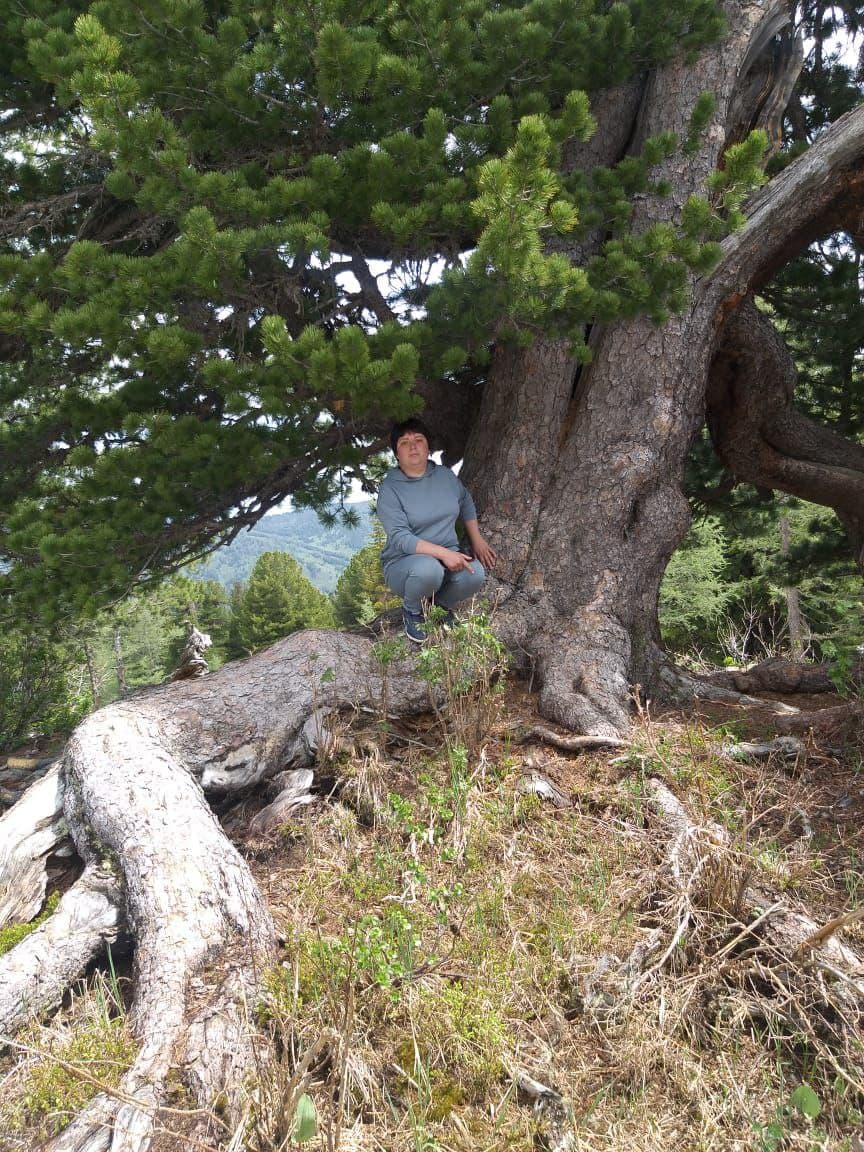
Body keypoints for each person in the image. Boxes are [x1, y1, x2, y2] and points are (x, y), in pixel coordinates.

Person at [377, 417, 497, 643]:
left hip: (447, 555)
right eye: (404, 442)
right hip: (406, 564)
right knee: (429, 570)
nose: (412, 446)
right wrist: (444, 554)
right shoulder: (390, 488)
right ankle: (412, 611)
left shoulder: (444, 476)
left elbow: (465, 501)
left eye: (418, 440)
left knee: (475, 575)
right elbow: (401, 538)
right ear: (396, 454)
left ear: (428, 447)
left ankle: (438, 608)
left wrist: (477, 540)